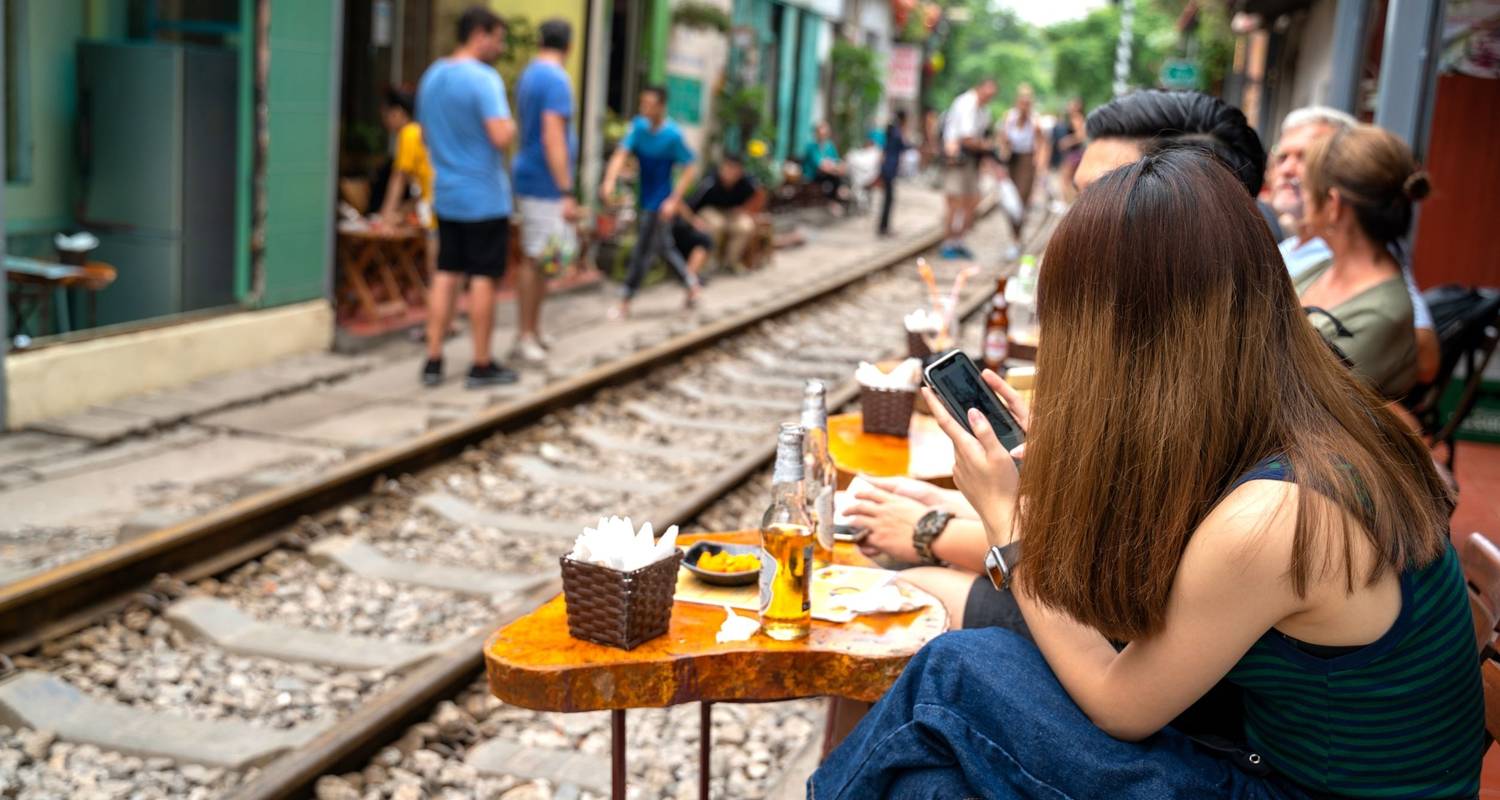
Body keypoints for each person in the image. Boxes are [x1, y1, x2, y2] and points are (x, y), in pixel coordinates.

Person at [813, 146, 1483, 800]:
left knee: (954, 675)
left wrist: (1008, 521)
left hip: (1287, 782)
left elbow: (1119, 704)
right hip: (1272, 752)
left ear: (1132, 341)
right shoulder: (1316, 419)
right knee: (930, 784)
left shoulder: (1275, 517)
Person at [1269, 107, 1440, 385]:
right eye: (1283, 157)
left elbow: (1305, 401)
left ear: (1333, 205)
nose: (1291, 174)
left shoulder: (1381, 311)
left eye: (1308, 183)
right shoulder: (1326, 266)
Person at [415, 7, 517, 388]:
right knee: (483, 278)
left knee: (445, 274)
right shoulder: (484, 79)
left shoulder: (432, 76)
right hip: (484, 197)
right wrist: (512, 125)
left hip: (447, 194)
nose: (500, 46)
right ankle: (480, 362)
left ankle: (433, 358)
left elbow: (424, 136)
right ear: (479, 34)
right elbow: (500, 137)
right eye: (498, 38)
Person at [600, 85, 702, 319]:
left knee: (642, 250)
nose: (643, 108)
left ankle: (625, 299)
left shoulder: (672, 136)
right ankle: (691, 284)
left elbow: (689, 167)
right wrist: (609, 181)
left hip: (660, 202)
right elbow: (621, 154)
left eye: (649, 104)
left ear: (661, 107)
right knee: (664, 247)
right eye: (642, 103)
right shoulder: (638, 127)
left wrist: (674, 200)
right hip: (644, 198)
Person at [510, 18, 578, 364]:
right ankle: (524, 334)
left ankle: (532, 329)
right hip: (544, 182)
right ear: (569, 46)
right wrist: (566, 189)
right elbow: (553, 135)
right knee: (537, 258)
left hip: (531, 175)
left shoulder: (529, 74)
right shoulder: (556, 80)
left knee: (543, 256)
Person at [375, 87, 436, 260]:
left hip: (437, 209)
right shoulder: (421, 132)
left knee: (439, 272)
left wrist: (386, 218)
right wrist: (402, 212)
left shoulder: (408, 134)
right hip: (447, 205)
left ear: (398, 113)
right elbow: (423, 184)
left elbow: (398, 179)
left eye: (386, 116)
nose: (385, 122)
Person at [940, 78, 997, 259]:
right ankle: (948, 242)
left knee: (972, 200)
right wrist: (986, 145)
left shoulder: (984, 110)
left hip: (972, 160)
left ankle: (959, 241)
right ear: (979, 88)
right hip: (957, 160)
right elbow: (966, 138)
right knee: (954, 201)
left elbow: (979, 137)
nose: (989, 97)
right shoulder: (966, 103)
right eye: (987, 93)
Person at [680, 153, 758, 273]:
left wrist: (745, 210)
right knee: (717, 225)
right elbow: (693, 202)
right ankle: (709, 263)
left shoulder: (747, 183)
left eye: (735, 169)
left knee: (745, 226)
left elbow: (757, 196)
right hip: (709, 210)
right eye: (728, 168)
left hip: (731, 211)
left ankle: (731, 262)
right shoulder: (710, 182)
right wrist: (693, 219)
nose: (731, 172)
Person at [999, 84, 1049, 256]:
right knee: (1010, 201)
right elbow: (1002, 140)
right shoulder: (1009, 118)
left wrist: (1040, 166)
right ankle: (1014, 237)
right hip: (1012, 160)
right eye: (1022, 102)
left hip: (1028, 161)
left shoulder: (1035, 121)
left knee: (1022, 200)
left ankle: (1017, 239)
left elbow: (1042, 144)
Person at [801, 121, 848, 211]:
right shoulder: (811, 147)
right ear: (816, 134)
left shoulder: (829, 145)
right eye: (820, 133)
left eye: (824, 134)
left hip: (827, 173)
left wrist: (838, 167)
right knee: (833, 177)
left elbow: (836, 160)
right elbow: (819, 165)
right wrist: (833, 167)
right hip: (812, 174)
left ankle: (838, 195)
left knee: (839, 175)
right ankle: (833, 200)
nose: (822, 136)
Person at [878, 110, 909, 237]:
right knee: (889, 199)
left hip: (888, 168)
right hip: (889, 169)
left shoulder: (892, 131)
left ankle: (883, 226)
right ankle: (884, 227)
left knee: (888, 199)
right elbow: (904, 146)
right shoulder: (897, 132)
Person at [1050, 97, 1087, 204]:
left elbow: (1081, 136)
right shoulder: (1073, 118)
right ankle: (1071, 203)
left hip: (1073, 153)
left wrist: (1067, 141)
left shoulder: (1076, 118)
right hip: (1076, 153)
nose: (1069, 106)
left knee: (1065, 179)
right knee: (1071, 180)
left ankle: (1067, 203)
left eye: (1071, 104)